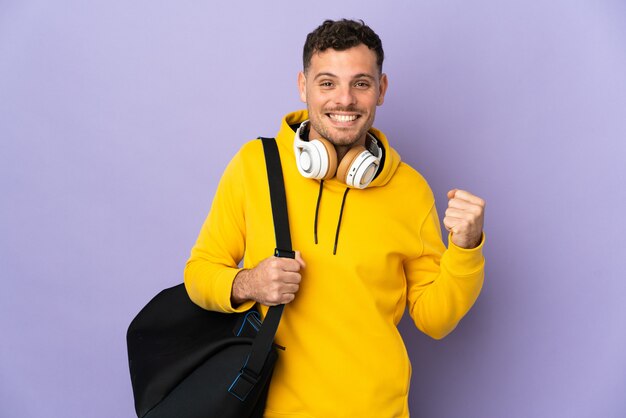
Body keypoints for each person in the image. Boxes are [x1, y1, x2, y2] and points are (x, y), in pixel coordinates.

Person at [185, 19, 485, 418]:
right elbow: (199, 273)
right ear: (302, 85)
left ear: (381, 90)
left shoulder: (410, 190)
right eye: (327, 83)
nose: (344, 100)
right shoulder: (255, 166)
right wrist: (249, 282)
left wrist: (465, 249)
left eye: (360, 83)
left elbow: (434, 319)